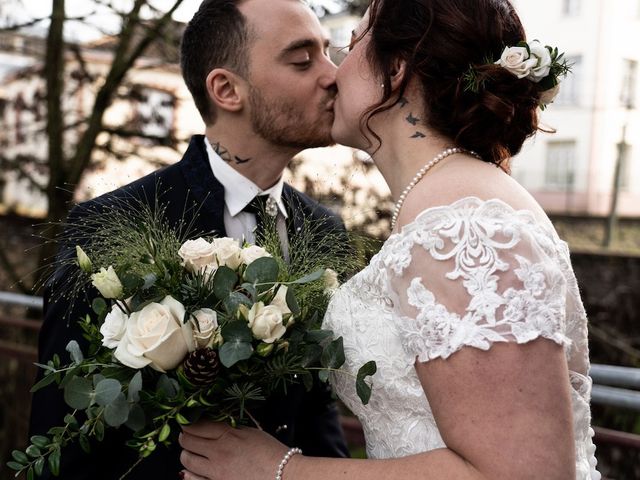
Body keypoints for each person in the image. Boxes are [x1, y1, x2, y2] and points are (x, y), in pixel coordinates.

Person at [177, 0, 601, 479]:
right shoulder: (442, 205)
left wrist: (279, 471)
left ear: (395, 69)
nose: (334, 70)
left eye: (353, 43)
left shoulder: (463, 228)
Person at [29, 0, 350, 478]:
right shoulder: (116, 225)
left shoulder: (323, 230)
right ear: (226, 89)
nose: (333, 76)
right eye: (302, 59)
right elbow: (67, 440)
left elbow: (317, 413)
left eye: (328, 53)